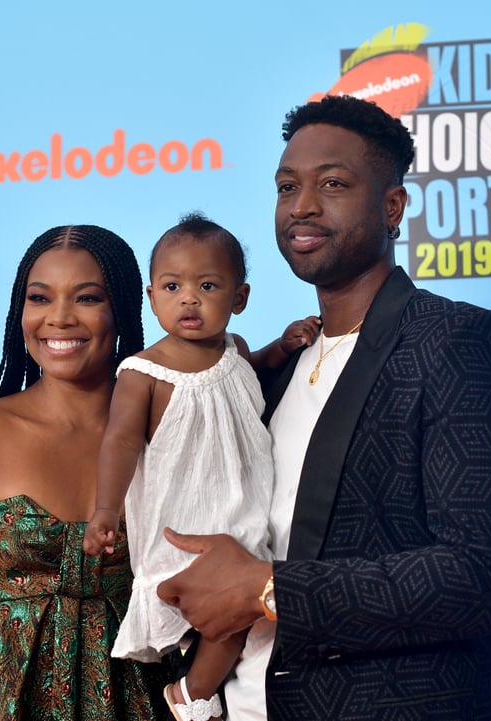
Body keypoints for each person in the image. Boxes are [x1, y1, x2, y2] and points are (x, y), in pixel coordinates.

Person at [156, 95, 491, 721]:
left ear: (393, 207)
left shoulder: (457, 340)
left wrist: (266, 589)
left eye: (332, 184)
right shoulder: (273, 367)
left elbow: (487, 574)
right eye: (287, 187)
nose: (302, 205)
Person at [0, 225, 173, 721]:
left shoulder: (169, 433)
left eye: (87, 297)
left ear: (124, 309)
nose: (59, 318)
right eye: (39, 297)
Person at [82, 213, 320, 721]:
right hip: (184, 526)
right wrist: (105, 510)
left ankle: (198, 690)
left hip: (239, 514)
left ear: (239, 299)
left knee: (248, 611)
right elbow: (120, 441)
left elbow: (250, 372)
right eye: (173, 286)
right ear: (152, 297)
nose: (188, 298)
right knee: (229, 613)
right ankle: (190, 696)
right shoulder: (143, 372)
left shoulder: (233, 350)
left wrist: (283, 346)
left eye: (207, 285)